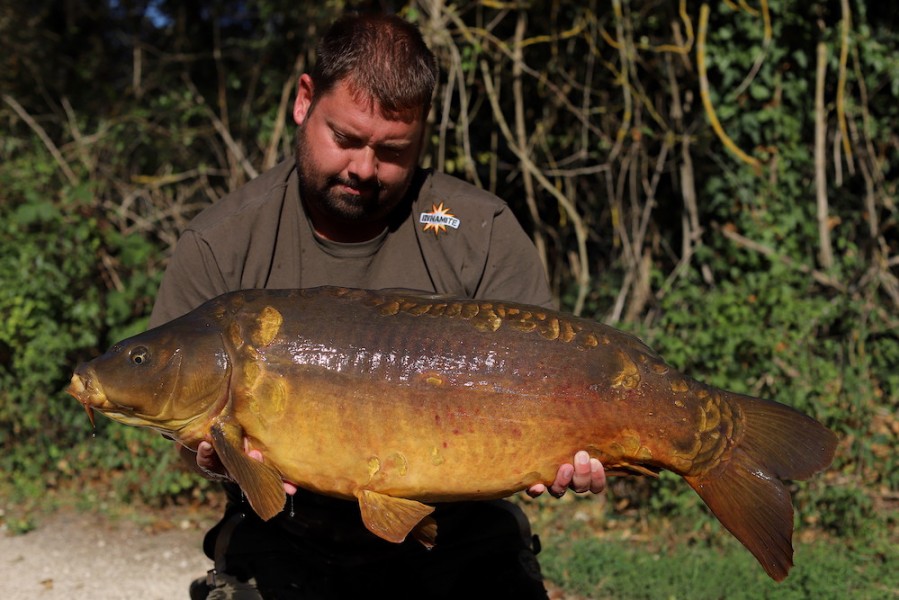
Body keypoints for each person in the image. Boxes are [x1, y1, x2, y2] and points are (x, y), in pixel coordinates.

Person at [149, 12, 606, 599]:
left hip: (460, 542)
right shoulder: (222, 244)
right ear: (303, 100)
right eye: (345, 139)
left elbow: (551, 385)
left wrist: (575, 454)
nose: (363, 168)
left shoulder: (479, 229)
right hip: (287, 539)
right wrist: (212, 457)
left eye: (393, 150)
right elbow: (186, 439)